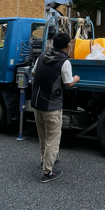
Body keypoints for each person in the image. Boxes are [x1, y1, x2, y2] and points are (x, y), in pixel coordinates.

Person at [30, 31, 80, 183]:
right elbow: (68, 83)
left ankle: (45, 160)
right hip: (52, 106)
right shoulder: (64, 62)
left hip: (37, 104)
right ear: (67, 46)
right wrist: (76, 78)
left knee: (43, 135)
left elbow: (33, 73)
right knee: (53, 138)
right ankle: (47, 172)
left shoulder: (42, 57)